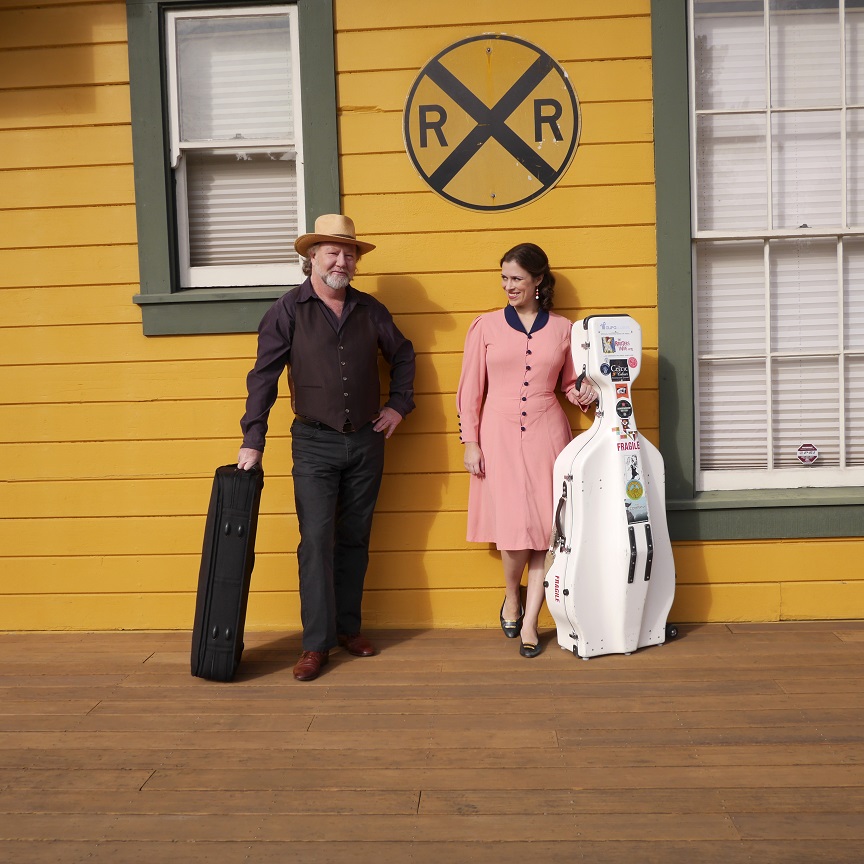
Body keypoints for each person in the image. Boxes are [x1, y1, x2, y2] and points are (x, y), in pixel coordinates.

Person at [237, 214, 415, 681]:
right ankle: (315, 645)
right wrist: (252, 440)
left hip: (366, 442)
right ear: (311, 257)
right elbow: (263, 378)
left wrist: (398, 406)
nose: (342, 259)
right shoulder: (287, 310)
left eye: (349, 252)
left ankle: (347, 629)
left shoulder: (371, 310)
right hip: (313, 443)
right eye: (333, 251)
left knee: (354, 538)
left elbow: (403, 355)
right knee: (316, 542)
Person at [456, 243, 596, 658]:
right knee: (515, 534)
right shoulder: (484, 327)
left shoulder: (563, 328)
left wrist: (586, 392)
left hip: (547, 434)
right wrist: (470, 441)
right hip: (497, 434)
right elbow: (469, 390)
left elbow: (569, 384)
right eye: (504, 278)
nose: (508, 286)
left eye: (516, 278)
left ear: (538, 280)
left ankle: (532, 621)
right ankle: (511, 596)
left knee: (545, 532)